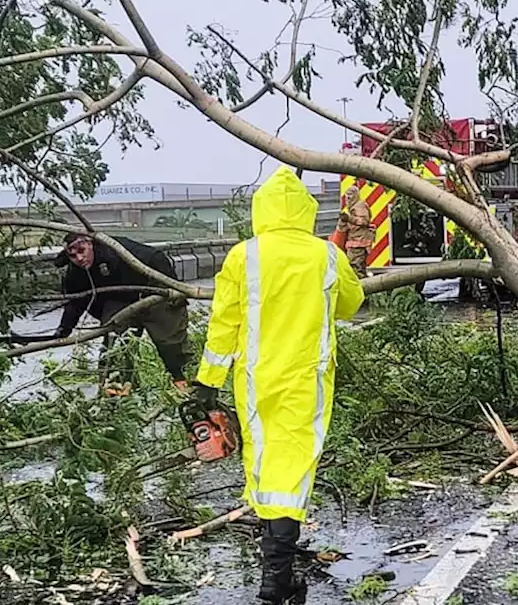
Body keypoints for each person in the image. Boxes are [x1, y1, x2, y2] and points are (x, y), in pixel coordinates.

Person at [193, 166, 364, 603]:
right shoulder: (326, 256)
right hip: (307, 379)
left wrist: (207, 383)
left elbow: (223, 323)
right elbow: (349, 303)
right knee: (292, 469)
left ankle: (277, 569)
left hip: (255, 380)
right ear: (306, 211)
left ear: (261, 210)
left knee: (266, 465)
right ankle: (277, 578)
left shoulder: (243, 255)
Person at [55, 232, 191, 396]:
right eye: (73, 256)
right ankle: (117, 389)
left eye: (81, 251)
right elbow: (75, 303)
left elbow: (156, 258)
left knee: (170, 341)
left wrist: (172, 289)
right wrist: (64, 330)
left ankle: (184, 380)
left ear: (90, 244)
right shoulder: (75, 272)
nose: (79, 258)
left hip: (153, 293)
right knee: (115, 343)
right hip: (119, 301)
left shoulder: (117, 248)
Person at [339, 185, 373, 277]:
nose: (348, 198)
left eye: (350, 195)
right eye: (347, 195)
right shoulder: (353, 207)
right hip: (355, 242)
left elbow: (364, 221)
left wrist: (349, 218)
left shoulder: (359, 206)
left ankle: (361, 287)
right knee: (356, 267)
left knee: (356, 268)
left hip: (359, 242)